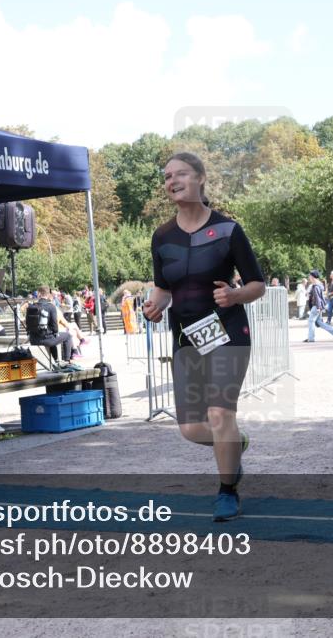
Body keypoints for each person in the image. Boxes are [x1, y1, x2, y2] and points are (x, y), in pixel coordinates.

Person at [142, 152, 266, 522]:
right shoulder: (162, 236)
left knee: (219, 412)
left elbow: (257, 284)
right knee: (192, 429)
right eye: (166, 176)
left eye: (180, 174)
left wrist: (235, 294)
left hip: (227, 331)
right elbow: (164, 288)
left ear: (200, 179)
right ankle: (235, 445)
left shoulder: (228, 230)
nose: (172, 181)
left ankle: (227, 490)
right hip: (186, 337)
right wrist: (155, 305)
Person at [27, 286, 74, 363]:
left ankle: (56, 361)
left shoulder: (31, 307)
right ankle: (66, 360)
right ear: (48, 294)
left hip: (33, 339)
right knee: (67, 336)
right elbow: (54, 326)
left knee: (52, 336)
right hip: (46, 339)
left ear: (38, 294)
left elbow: (27, 324)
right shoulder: (51, 306)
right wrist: (55, 332)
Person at [305, 271, 333, 342]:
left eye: (310, 276)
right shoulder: (318, 285)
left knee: (311, 321)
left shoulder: (315, 286)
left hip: (316, 306)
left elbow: (317, 298)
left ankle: (311, 338)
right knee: (319, 322)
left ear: (313, 277)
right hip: (318, 306)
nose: (309, 277)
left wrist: (318, 307)